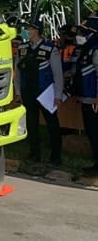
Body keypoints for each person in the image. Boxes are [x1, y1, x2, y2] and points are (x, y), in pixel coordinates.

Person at [14, 20, 63, 166]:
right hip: (28, 92)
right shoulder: (22, 48)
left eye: (29, 28)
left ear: (37, 31)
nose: (27, 31)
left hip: (45, 93)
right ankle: (34, 154)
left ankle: (55, 157)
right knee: (31, 124)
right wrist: (18, 92)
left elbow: (58, 74)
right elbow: (17, 72)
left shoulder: (49, 48)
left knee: (52, 125)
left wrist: (58, 95)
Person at [72, 17, 98, 176]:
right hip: (86, 97)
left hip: (93, 99)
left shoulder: (96, 49)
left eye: (85, 32)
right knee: (91, 131)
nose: (80, 35)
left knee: (95, 132)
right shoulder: (87, 48)